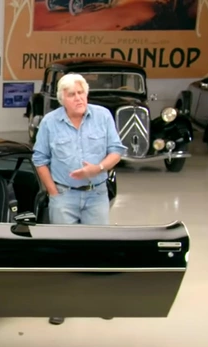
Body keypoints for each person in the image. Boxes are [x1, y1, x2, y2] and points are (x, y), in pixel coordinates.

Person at [31, 73, 127, 326]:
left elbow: (117, 150)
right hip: (63, 196)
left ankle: (99, 300)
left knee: (98, 249)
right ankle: (61, 303)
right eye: (72, 94)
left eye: (82, 92)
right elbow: (39, 159)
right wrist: (53, 191)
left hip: (96, 194)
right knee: (63, 252)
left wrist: (98, 168)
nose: (79, 98)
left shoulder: (103, 116)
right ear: (62, 98)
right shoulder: (50, 123)